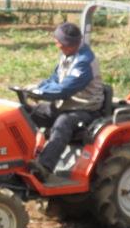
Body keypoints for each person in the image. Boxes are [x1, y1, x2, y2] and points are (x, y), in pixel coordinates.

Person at [27, 22, 104, 181]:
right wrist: (38, 87)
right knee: (27, 112)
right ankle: (23, 155)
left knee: (63, 123)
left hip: (85, 109)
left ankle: (44, 167)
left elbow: (64, 90)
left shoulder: (84, 62)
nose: (57, 45)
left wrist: (39, 93)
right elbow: (55, 80)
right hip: (66, 104)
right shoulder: (67, 55)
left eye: (59, 43)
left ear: (70, 44)